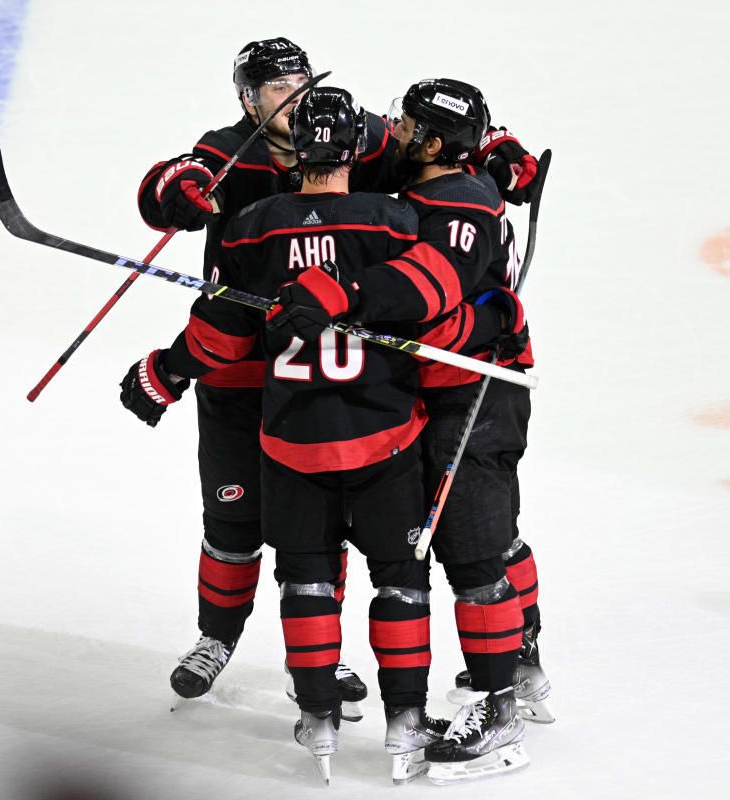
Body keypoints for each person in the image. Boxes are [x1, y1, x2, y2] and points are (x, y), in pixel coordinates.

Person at [133, 37, 544, 715]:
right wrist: (173, 189)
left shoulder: (355, 133)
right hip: (243, 367)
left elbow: (436, 138)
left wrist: (492, 145)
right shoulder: (229, 150)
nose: (291, 99)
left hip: (346, 378)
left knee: (355, 525)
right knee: (234, 519)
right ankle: (216, 638)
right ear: (247, 99)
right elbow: (166, 187)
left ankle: (352, 661)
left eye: (299, 82)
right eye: (274, 89)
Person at [270, 78, 547, 783]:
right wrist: (500, 145)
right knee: (482, 533)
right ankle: (523, 653)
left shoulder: (459, 203)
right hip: (439, 391)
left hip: (476, 394)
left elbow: (428, 287)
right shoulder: (434, 171)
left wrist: (344, 295)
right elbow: (339, 133)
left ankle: (500, 704)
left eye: (404, 124)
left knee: (472, 546)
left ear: (430, 142)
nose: (387, 129)